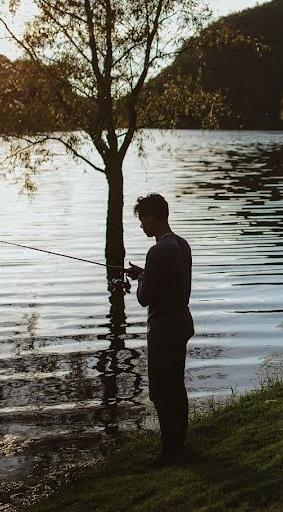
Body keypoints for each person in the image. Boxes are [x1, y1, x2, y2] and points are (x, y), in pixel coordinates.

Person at [126, 193, 194, 465]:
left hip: (163, 327)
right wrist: (144, 274)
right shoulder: (181, 244)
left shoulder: (157, 250)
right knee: (176, 387)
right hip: (181, 321)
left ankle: (169, 452)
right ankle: (180, 445)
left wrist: (141, 282)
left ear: (152, 218)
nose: (141, 226)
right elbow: (171, 283)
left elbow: (145, 298)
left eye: (142, 220)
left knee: (160, 391)